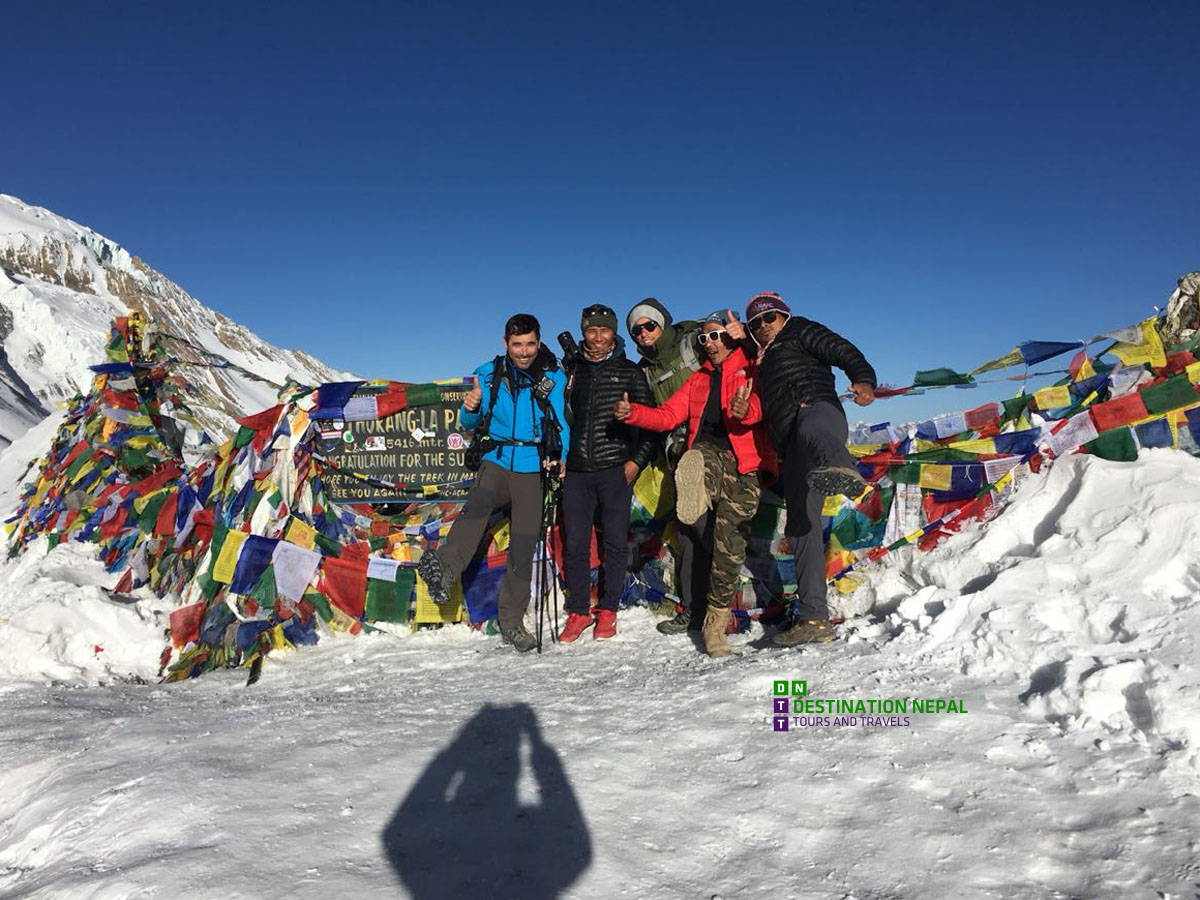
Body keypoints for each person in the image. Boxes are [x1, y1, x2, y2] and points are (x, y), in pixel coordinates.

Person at [616, 310, 773, 657]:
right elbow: (669, 415)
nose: (710, 343)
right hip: (706, 456)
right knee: (696, 457)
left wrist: (746, 409)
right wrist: (635, 414)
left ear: (731, 338)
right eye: (704, 338)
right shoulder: (698, 379)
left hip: (744, 465)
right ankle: (694, 479)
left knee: (728, 545)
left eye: (716, 336)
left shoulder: (751, 366)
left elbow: (762, 406)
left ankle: (715, 626)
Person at [417, 313, 569, 653]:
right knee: (478, 507)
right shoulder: (488, 374)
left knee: (522, 547)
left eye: (530, 343)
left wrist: (563, 459)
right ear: (506, 344)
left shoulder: (553, 377)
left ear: (538, 342)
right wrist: (469, 407)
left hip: (533, 468)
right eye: (517, 344)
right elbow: (469, 420)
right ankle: (444, 569)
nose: (524, 351)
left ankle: (511, 623)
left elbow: (562, 423)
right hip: (497, 461)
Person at [744, 291, 877, 647]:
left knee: (808, 424)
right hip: (793, 447)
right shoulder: (761, 357)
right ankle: (814, 618)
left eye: (768, 318)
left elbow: (841, 349)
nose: (762, 326)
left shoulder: (800, 330)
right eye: (755, 323)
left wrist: (864, 380)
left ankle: (842, 468)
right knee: (802, 527)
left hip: (818, 412)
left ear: (784, 316)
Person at [558, 303, 658, 643]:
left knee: (615, 544)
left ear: (614, 333)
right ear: (583, 331)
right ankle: (578, 611)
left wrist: (634, 464)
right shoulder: (572, 371)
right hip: (576, 471)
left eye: (604, 330)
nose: (597, 337)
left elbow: (650, 426)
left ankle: (609, 610)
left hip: (615, 469)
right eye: (591, 330)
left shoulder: (630, 372)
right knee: (575, 543)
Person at [625, 298, 705, 635]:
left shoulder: (695, 342)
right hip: (679, 453)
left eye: (649, 326)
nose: (643, 333)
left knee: (717, 530)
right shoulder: (644, 370)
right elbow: (655, 417)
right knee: (690, 528)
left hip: (718, 444)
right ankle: (694, 608)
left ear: (664, 323)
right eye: (636, 330)